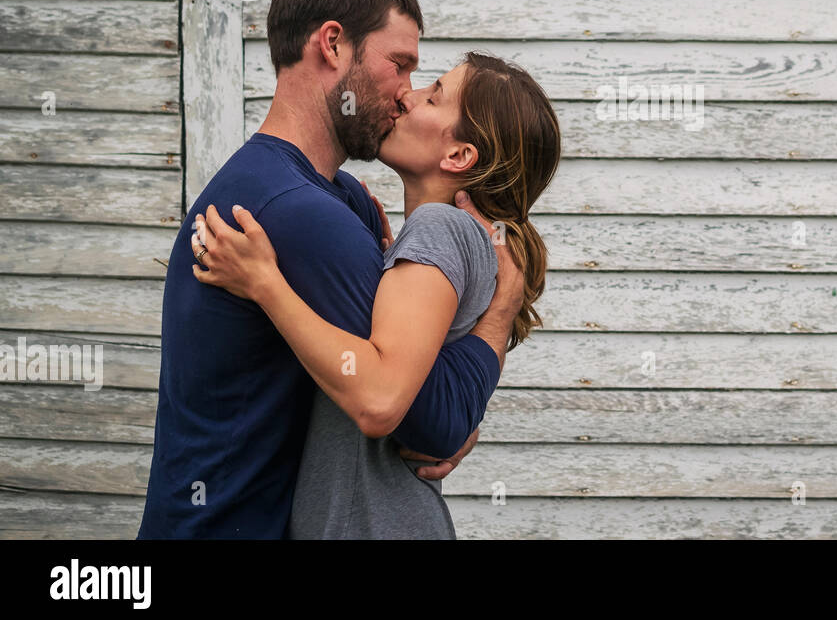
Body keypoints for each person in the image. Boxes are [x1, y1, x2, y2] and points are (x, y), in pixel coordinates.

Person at [138, 0, 520, 538]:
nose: (406, 94)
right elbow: (426, 420)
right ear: (333, 45)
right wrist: (497, 319)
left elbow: (410, 385)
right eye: (400, 65)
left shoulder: (327, 196)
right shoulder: (299, 214)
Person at [190, 52, 561, 538]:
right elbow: (430, 381)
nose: (408, 95)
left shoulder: (440, 228)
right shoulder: (460, 241)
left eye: (433, 96)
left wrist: (264, 284)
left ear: (458, 156)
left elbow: (379, 401)